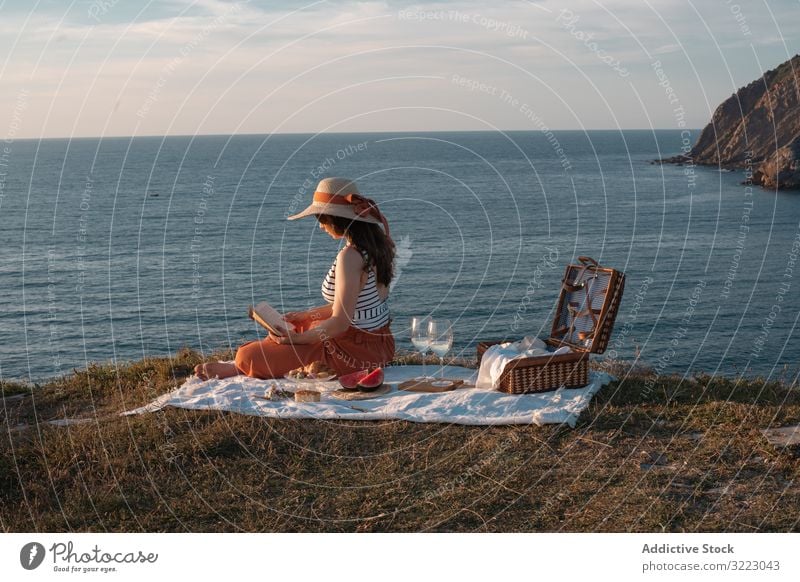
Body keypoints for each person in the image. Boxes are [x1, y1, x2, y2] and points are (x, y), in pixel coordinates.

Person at [193, 177, 396, 380]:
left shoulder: (350, 257)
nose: (320, 226)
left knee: (248, 355)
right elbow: (354, 307)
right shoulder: (378, 247)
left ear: (336, 219)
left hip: (355, 352)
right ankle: (263, 359)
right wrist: (306, 316)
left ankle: (241, 367)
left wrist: (299, 340)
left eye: (321, 219)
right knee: (297, 326)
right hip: (379, 344)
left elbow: (341, 323)